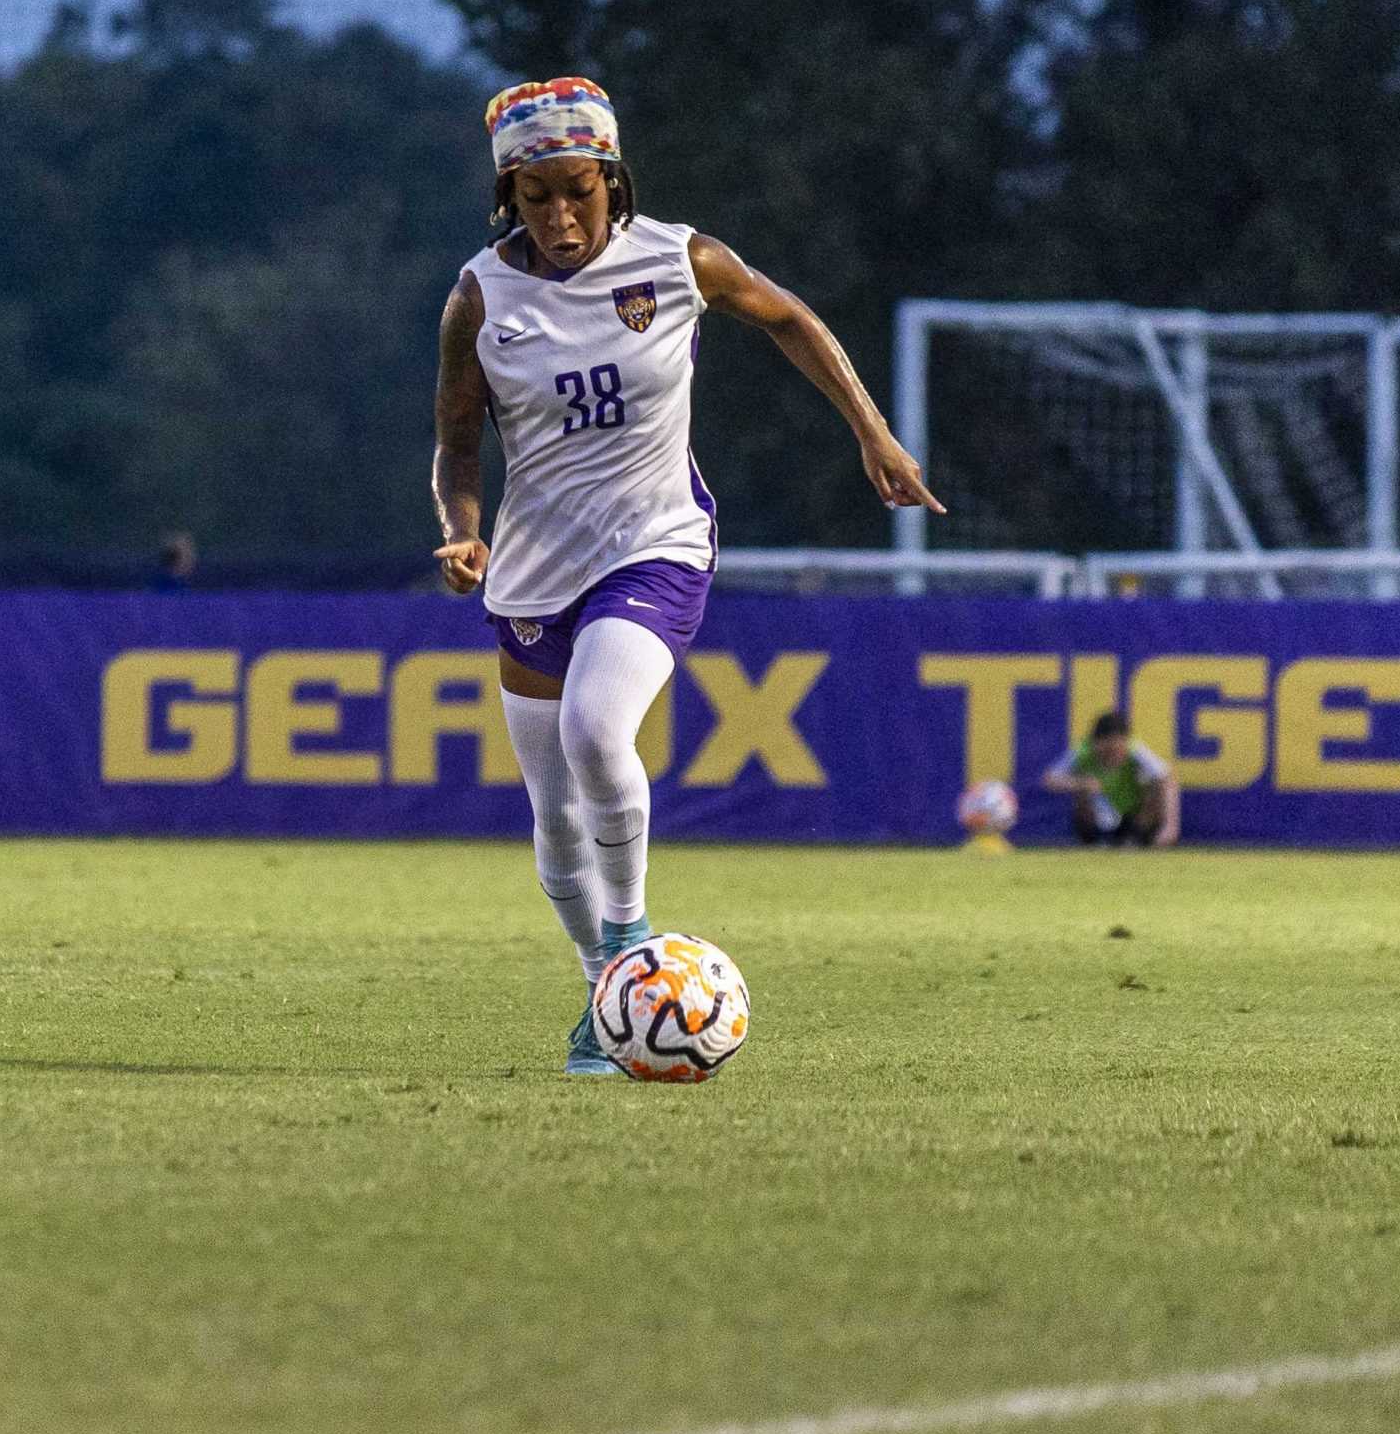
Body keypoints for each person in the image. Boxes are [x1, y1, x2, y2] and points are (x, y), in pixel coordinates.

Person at [430, 76, 943, 1076]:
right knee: (552, 815)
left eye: (577, 190)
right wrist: (461, 530)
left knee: (593, 730)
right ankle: (604, 993)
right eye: (535, 197)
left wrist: (872, 434)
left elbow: (789, 318)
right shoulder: (480, 297)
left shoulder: (676, 258)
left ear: (613, 182)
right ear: (508, 198)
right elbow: (456, 439)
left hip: (654, 543)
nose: (560, 214)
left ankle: (630, 938)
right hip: (535, 573)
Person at [1042, 711, 1180, 847]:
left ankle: (1134, 838)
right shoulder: (1082, 751)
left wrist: (1170, 827)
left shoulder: (1135, 749)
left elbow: (1167, 778)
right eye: (1107, 750)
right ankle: (1093, 840)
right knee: (1080, 790)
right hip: (1096, 816)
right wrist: (1081, 783)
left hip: (1131, 814)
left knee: (1156, 786)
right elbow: (1049, 779)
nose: (1113, 756)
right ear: (1095, 742)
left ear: (1126, 742)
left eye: (1118, 750)